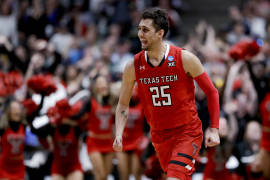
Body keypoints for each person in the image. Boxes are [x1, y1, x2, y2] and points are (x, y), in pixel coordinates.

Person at [113, 7, 220, 180]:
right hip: (159, 135)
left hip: (187, 132)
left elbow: (212, 92)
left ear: (160, 33)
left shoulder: (184, 58)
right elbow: (123, 105)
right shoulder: (133, 66)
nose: (140, 34)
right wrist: (118, 133)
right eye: (139, 29)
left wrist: (214, 129)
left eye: (145, 30)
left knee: (174, 178)